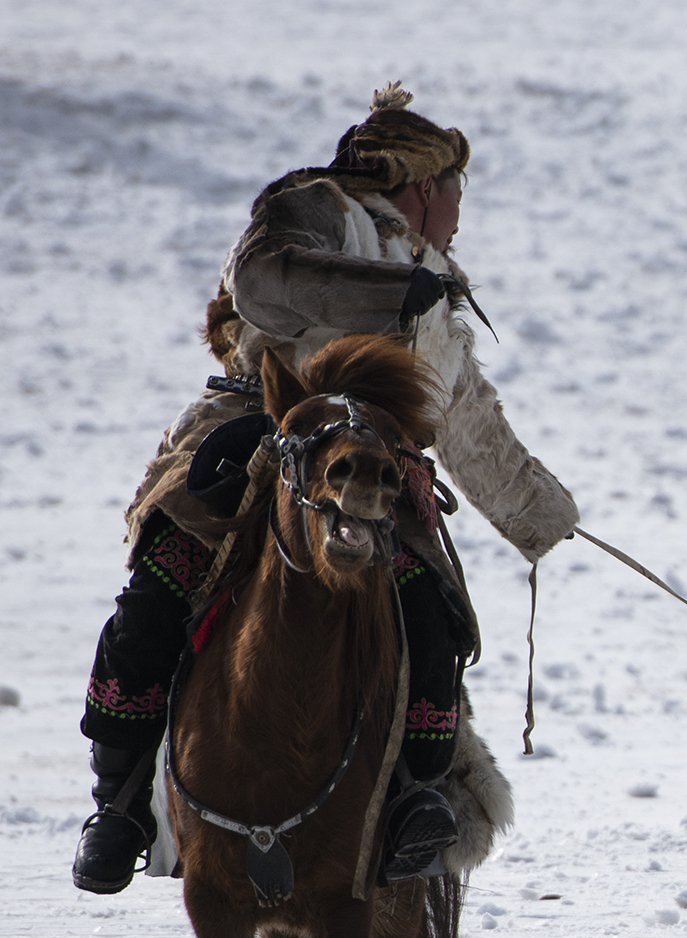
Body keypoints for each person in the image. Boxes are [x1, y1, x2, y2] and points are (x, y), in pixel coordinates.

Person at [73, 83, 576, 893]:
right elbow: (262, 279)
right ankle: (120, 801)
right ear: (423, 186)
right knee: (163, 580)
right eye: (455, 191)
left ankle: (417, 800)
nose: (458, 210)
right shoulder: (315, 206)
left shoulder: (436, 287)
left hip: (374, 460)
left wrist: (544, 519)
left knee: (432, 610)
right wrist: (385, 294)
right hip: (256, 428)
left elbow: (469, 420)